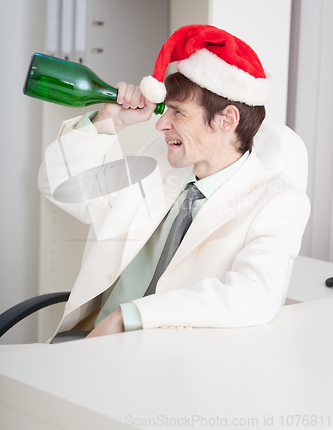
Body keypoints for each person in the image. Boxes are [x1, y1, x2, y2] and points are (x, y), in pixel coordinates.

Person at [38, 25, 310, 342]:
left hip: (160, 358)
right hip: (89, 340)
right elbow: (61, 188)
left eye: (178, 112)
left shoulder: (277, 201)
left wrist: (133, 317)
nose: (161, 124)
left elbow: (255, 295)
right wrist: (109, 121)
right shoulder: (157, 162)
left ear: (227, 120)